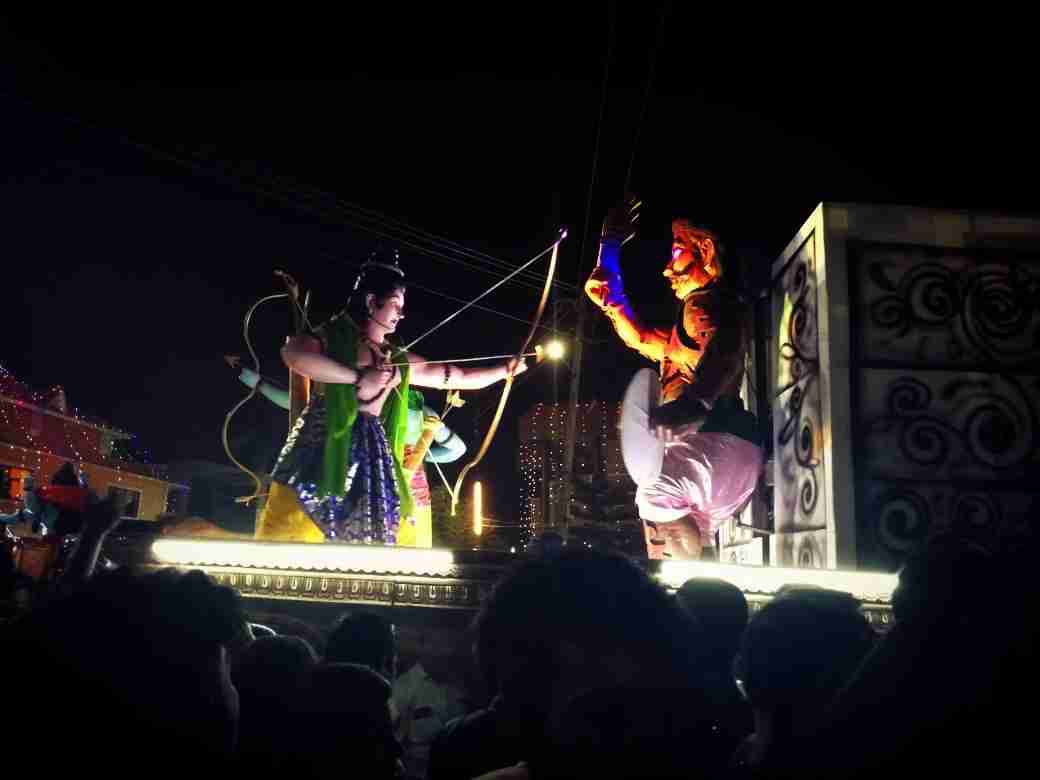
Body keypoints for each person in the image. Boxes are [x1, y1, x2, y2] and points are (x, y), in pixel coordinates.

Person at [255, 254, 523, 545]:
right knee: (297, 521)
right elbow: (294, 355)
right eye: (395, 304)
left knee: (375, 529)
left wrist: (505, 370)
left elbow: (455, 376)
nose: (401, 314)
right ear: (371, 302)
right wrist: (358, 377)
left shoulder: (397, 359)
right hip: (323, 439)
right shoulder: (331, 338)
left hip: (373, 446)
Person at [585, 202, 763, 559]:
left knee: (654, 501)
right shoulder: (693, 318)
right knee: (658, 503)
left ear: (705, 252)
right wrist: (610, 256)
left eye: (677, 254)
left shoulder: (705, 306)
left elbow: (725, 349)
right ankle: (686, 581)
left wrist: (695, 404)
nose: (668, 270)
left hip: (711, 442)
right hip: (720, 452)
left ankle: (678, 580)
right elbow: (641, 337)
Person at [228, 354, 466, 547]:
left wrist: (421, 456)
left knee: (406, 549)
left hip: (407, 490)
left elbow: (457, 450)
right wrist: (251, 378)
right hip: (357, 476)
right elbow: (290, 400)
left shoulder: (421, 410)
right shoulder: (357, 397)